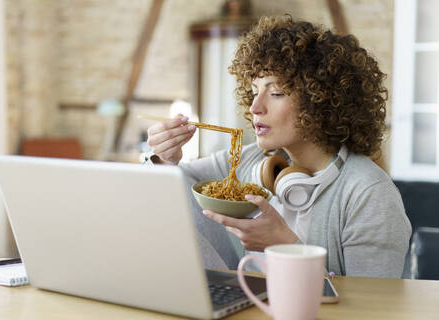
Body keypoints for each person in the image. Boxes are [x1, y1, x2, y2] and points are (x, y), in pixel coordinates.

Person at [144, 15, 411, 278]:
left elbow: (371, 309)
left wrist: (287, 247)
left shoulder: (370, 194)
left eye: (276, 93)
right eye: (254, 90)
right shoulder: (250, 160)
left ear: (321, 100)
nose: (254, 107)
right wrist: (165, 159)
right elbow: (177, 186)